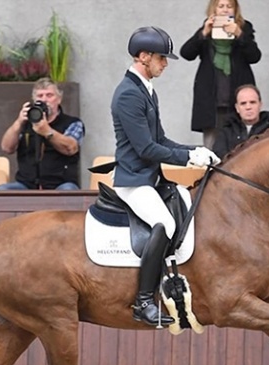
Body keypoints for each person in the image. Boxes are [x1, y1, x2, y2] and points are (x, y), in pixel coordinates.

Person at [112, 26, 219, 327]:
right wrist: (187, 159)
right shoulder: (128, 95)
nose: (166, 63)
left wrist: (196, 150)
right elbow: (146, 148)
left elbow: (161, 139)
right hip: (133, 180)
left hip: (149, 178)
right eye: (161, 57)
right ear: (144, 56)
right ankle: (143, 301)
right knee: (166, 223)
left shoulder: (146, 90)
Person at [180, 0, 262, 149]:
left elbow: (254, 56)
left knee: (242, 149)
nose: (225, 10)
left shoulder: (244, 28)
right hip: (212, 102)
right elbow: (186, 53)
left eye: (229, 6)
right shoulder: (207, 29)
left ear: (235, 9)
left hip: (237, 100)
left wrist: (239, 34)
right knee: (212, 149)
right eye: (221, 6)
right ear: (214, 9)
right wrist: (203, 33)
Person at [0, 78, 84, 191]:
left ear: (59, 99)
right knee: (3, 190)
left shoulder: (72, 123)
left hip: (60, 183)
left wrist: (46, 131)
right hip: (26, 184)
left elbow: (70, 148)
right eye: (40, 96)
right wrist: (18, 122)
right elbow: (6, 148)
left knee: (69, 190)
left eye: (49, 95)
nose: (44, 100)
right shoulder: (25, 124)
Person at [212, 84, 269, 158]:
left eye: (252, 102)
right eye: (243, 103)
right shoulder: (225, 133)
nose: (248, 107)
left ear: (260, 105)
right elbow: (219, 158)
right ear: (237, 108)